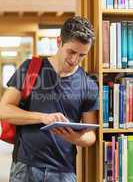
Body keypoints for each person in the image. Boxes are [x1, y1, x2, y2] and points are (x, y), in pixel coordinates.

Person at [0, 16, 99, 182]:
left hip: (64, 171)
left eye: (81, 55)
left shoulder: (88, 84)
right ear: (59, 42)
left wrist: (74, 138)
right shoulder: (30, 68)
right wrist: (43, 117)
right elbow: (4, 110)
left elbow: (91, 135)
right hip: (25, 167)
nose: (75, 60)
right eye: (71, 52)